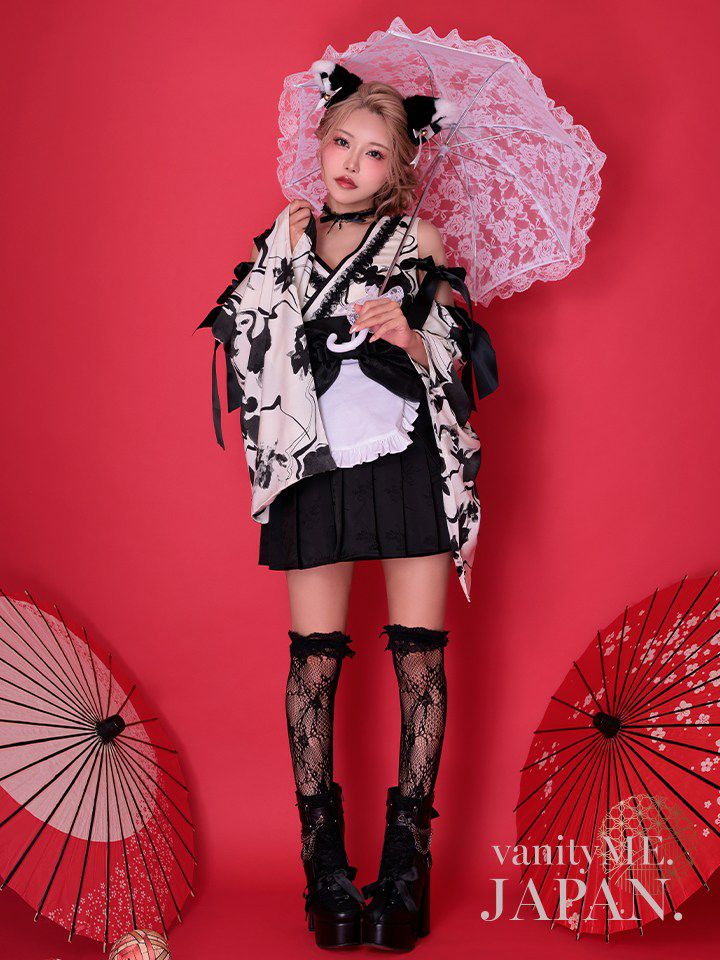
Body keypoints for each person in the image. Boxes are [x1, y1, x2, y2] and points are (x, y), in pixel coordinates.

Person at [199, 69, 498, 951]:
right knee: (314, 663)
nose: (352, 164)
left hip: (406, 461)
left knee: (420, 660)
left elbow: (458, 364)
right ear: (320, 143)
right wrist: (283, 268)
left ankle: (406, 867)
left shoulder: (418, 239)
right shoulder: (287, 233)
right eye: (342, 143)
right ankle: (323, 866)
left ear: (399, 170)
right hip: (313, 467)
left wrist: (410, 334)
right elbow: (247, 354)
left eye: (374, 153)